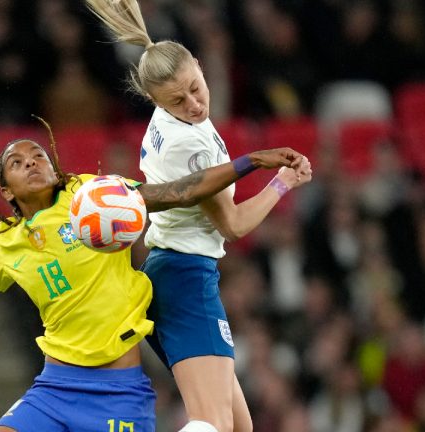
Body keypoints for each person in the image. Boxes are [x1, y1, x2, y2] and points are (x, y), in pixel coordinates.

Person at [0, 117, 309, 432]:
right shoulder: (9, 245)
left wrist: (251, 161)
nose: (33, 162)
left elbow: (179, 191)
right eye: (18, 161)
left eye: (38, 155)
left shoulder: (96, 195)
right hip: (55, 386)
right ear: (7, 191)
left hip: (119, 392)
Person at [85, 1, 313, 431]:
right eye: (179, 99)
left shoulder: (170, 118)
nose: (193, 103)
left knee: (239, 428)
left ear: (201, 67)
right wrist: (283, 183)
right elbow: (233, 225)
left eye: (195, 87)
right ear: (155, 101)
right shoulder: (190, 147)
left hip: (170, 275)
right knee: (213, 424)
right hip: (185, 281)